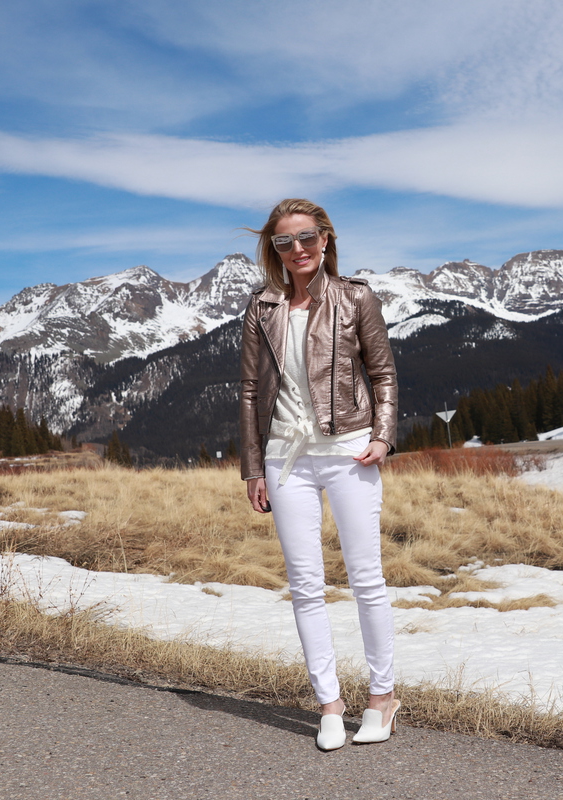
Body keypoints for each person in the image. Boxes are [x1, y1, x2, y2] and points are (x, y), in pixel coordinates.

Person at [239, 198, 400, 751]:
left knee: (365, 578)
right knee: (306, 586)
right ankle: (329, 705)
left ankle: (382, 699)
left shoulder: (356, 297)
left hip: (350, 450)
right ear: (274, 250)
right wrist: (253, 466)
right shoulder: (262, 307)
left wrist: (382, 436)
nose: (298, 249)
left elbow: (382, 373)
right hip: (287, 458)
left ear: (326, 239)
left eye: (306, 237)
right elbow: (251, 391)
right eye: (285, 242)